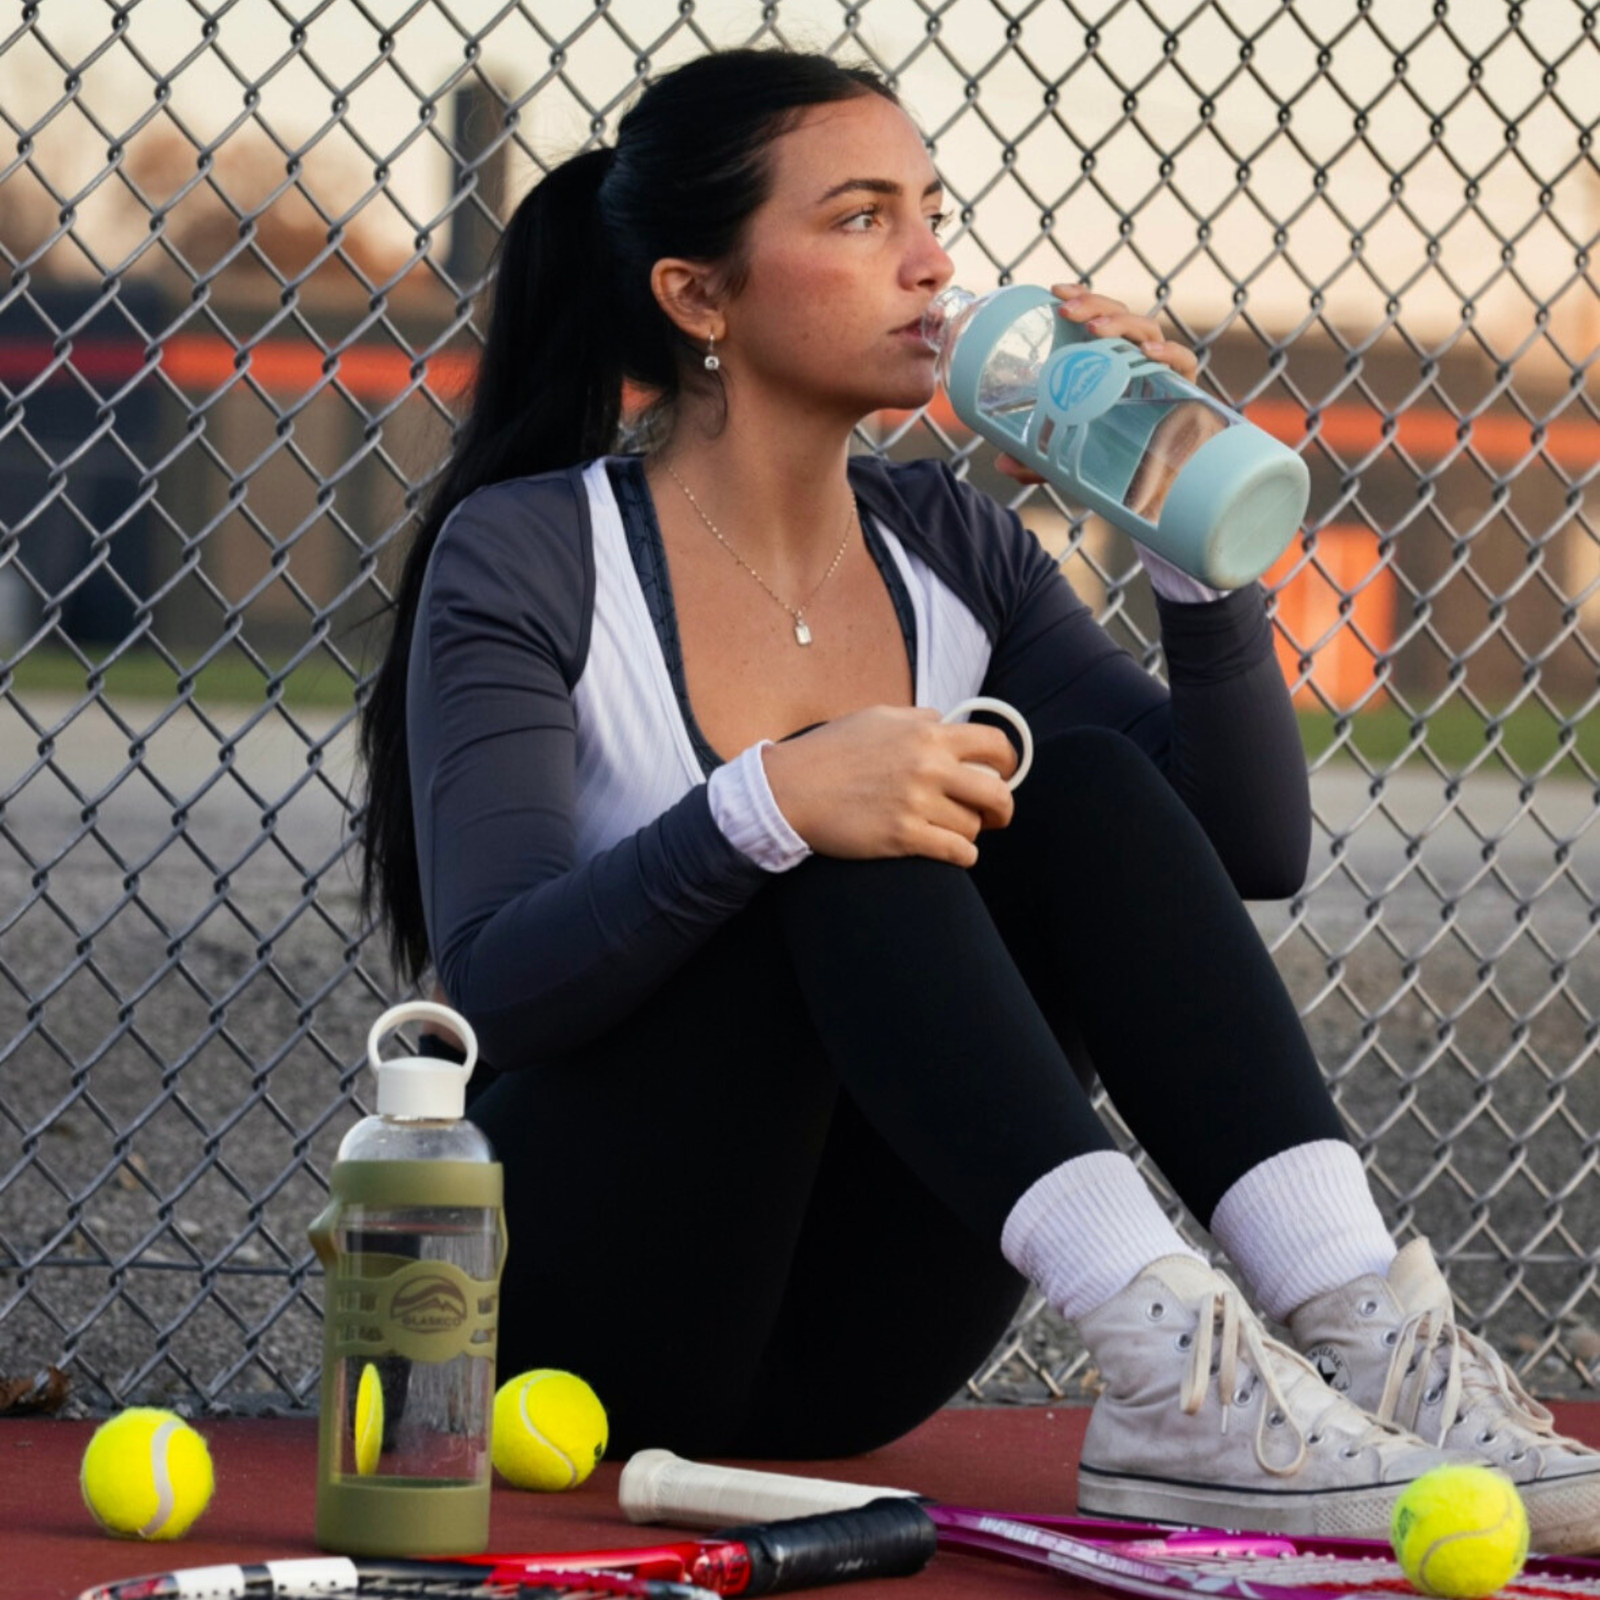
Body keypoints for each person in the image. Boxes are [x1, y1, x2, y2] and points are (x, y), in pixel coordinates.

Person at [356, 47, 1600, 1548]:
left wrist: (1187, 532)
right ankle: (1169, 1352)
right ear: (699, 296)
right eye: (865, 218)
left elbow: (1241, 848)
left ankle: (1338, 1334)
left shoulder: (953, 540)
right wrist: (771, 800)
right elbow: (495, 978)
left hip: (866, 1341)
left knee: (1064, 786)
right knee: (851, 822)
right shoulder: (537, 549)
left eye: (932, 211)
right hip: (593, 1319)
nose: (935, 261)